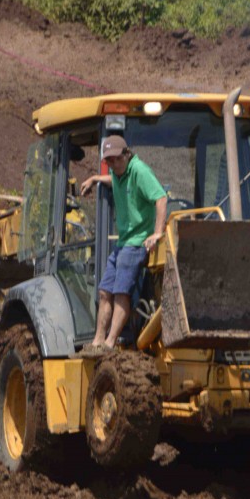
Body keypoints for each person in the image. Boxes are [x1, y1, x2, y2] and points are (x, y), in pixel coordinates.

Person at [79, 135, 167, 355]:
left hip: (136, 243)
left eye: (116, 160)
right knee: (104, 292)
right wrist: (95, 178)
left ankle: (110, 343)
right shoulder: (117, 173)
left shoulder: (139, 171)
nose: (113, 165)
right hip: (122, 243)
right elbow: (113, 180)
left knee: (120, 294)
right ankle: (97, 342)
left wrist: (157, 233)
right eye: (108, 161)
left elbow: (161, 198)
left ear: (126, 154)